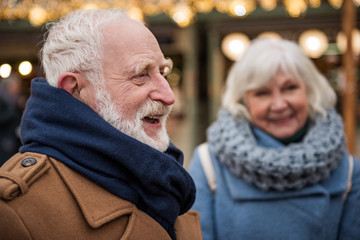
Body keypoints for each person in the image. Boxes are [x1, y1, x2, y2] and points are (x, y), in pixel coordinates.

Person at [0, 9, 202, 240]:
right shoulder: (16, 209)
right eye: (140, 75)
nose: (169, 96)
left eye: (162, 72)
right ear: (74, 88)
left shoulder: (169, 179)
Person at [189, 38, 360, 240]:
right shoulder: (209, 164)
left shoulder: (348, 170)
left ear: (310, 91)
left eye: (290, 88)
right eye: (262, 93)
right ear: (243, 103)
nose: (279, 105)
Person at [0, 74, 23, 165]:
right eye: (16, 87)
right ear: (9, 86)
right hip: (4, 141)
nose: (17, 89)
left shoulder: (15, 100)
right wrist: (13, 111)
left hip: (14, 140)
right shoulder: (3, 100)